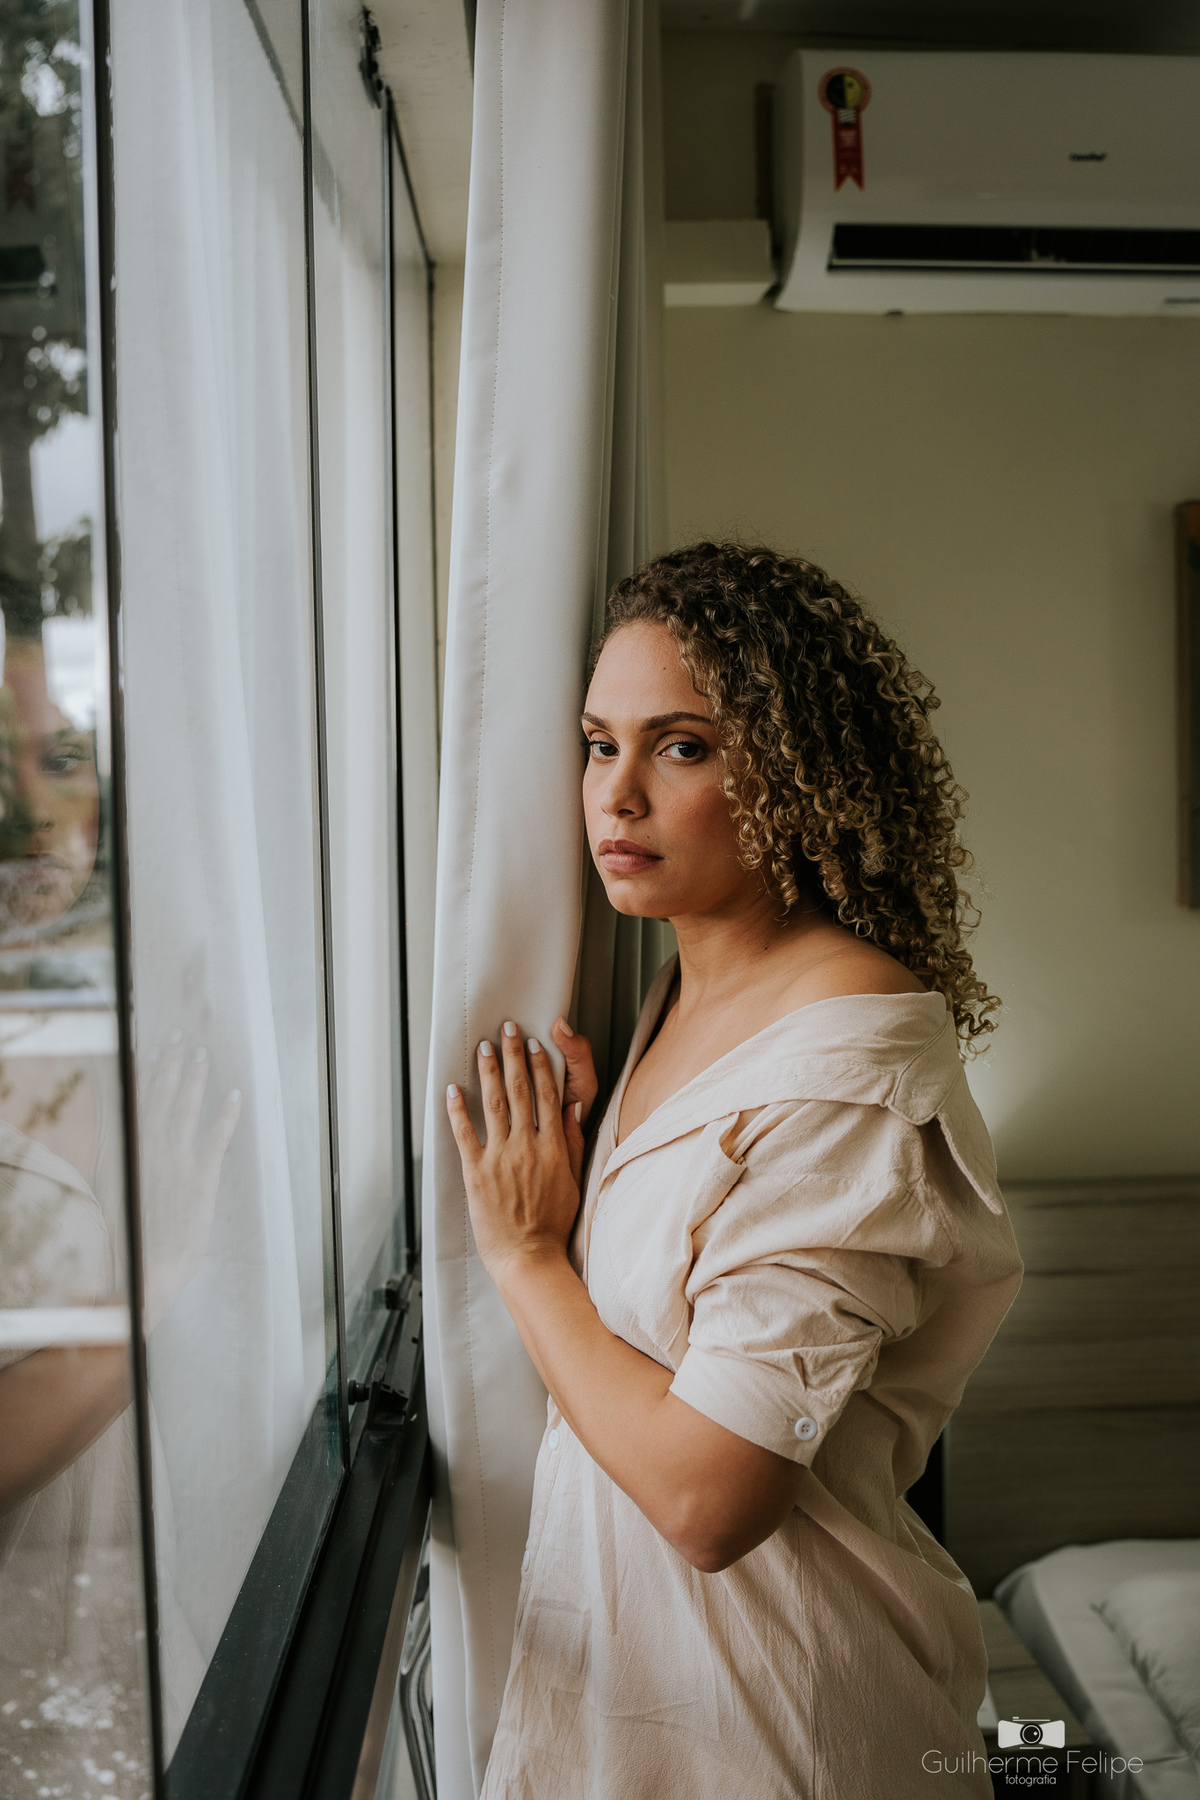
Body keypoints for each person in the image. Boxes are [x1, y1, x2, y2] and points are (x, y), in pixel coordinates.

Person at [446, 541, 1024, 1799]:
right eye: (599, 745)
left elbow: (710, 1503)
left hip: (788, 1733)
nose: (616, 797)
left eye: (682, 747)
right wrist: (602, 1172)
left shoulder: (847, 1074)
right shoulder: (682, 990)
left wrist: (528, 1257)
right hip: (656, 1717)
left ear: (801, 775)